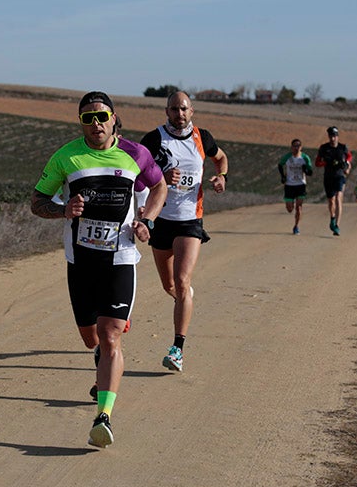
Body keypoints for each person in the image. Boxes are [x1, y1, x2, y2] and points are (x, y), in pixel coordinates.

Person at [31, 91, 167, 448]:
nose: (96, 124)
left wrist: (147, 221)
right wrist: (62, 209)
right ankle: (101, 357)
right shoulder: (66, 157)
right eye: (87, 118)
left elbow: (159, 185)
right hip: (80, 262)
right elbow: (37, 201)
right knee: (91, 338)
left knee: (111, 337)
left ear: (113, 117)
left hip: (120, 259)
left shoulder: (136, 154)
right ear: (81, 123)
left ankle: (103, 418)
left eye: (101, 116)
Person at [140, 91, 228, 373]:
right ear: (167, 111)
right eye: (175, 109)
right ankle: (185, 296)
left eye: (184, 109)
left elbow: (221, 158)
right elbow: (136, 175)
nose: (180, 114)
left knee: (180, 280)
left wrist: (220, 176)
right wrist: (160, 179)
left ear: (192, 111)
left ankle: (177, 348)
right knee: (171, 287)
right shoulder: (154, 139)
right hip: (161, 219)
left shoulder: (203, 137)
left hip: (191, 219)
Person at [315, 126, 352, 235]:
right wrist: (325, 163)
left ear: (337, 137)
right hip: (328, 177)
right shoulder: (324, 148)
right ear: (328, 136)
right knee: (331, 200)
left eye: (334, 136)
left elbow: (349, 157)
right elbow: (317, 163)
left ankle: (337, 225)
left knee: (338, 198)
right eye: (331, 136)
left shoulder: (343, 147)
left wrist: (347, 166)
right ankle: (332, 218)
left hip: (340, 176)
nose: (333, 138)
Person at [277, 138, 314, 234]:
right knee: (289, 209)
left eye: (298, 146)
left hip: (300, 184)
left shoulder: (305, 158)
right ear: (291, 147)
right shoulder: (287, 157)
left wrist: (305, 170)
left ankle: (296, 226)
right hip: (289, 184)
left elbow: (310, 172)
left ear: (301, 147)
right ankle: (291, 206)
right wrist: (282, 177)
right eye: (294, 146)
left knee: (299, 207)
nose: (296, 148)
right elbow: (280, 165)